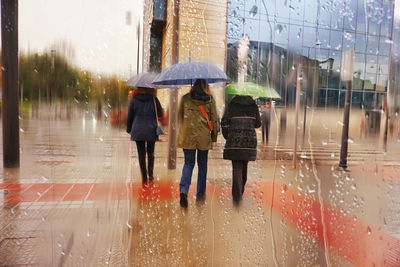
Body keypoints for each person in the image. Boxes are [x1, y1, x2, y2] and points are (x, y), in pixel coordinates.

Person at [177, 79, 218, 208]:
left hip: (188, 136)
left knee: (188, 163)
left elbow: (179, 117)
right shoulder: (210, 100)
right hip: (204, 137)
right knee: (202, 165)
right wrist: (214, 137)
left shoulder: (185, 99)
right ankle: (200, 195)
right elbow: (214, 120)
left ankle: (184, 190)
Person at [221, 95, 261, 207]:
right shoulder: (253, 106)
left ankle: (236, 197)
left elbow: (224, 122)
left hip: (234, 141)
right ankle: (241, 189)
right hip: (249, 142)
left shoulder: (231, 105)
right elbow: (258, 124)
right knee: (244, 165)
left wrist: (227, 135)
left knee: (236, 168)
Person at [126, 87, 163, 186]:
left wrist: (128, 129)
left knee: (141, 154)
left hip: (138, 129)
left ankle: (144, 178)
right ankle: (151, 176)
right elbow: (160, 113)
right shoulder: (154, 99)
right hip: (151, 128)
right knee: (151, 153)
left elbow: (130, 116)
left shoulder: (134, 99)